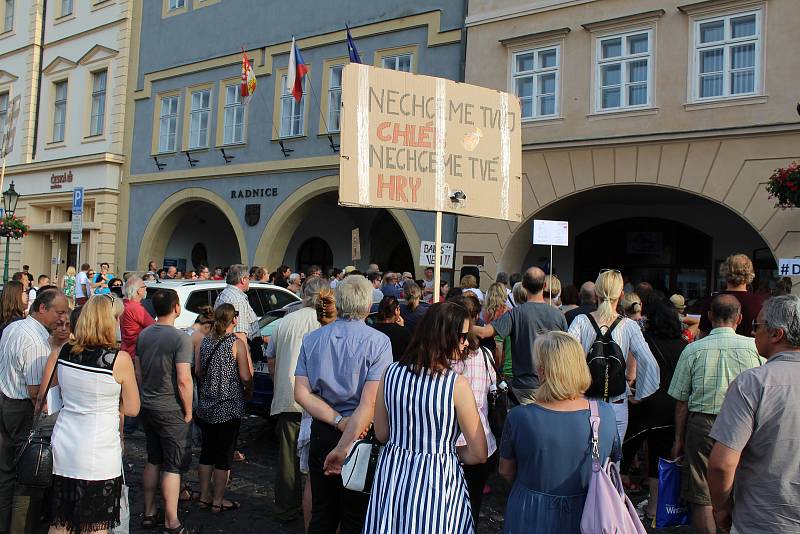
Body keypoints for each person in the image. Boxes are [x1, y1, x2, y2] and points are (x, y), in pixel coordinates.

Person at [364, 301, 486, 533]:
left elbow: (382, 433)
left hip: (393, 474)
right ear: (445, 336)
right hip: (437, 480)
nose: (466, 342)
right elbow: (479, 453)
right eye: (462, 336)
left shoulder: (390, 373)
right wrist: (444, 450)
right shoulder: (455, 385)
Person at [294, 275, 393, 534]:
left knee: (322, 513)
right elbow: (370, 401)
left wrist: (337, 421)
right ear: (368, 305)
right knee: (355, 516)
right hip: (359, 434)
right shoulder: (379, 342)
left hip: (325, 430)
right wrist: (346, 432)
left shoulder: (313, 339)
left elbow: (302, 394)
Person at [499, 331, 620, 534]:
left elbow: (505, 470)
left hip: (531, 512)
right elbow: (612, 460)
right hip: (589, 513)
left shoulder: (520, 417)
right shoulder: (605, 414)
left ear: (544, 372)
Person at [38, 294, 139, 534]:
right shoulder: (118, 360)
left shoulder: (65, 351)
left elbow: (52, 393)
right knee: (94, 526)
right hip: (99, 450)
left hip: (64, 445)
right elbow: (134, 408)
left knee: (61, 522)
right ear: (108, 322)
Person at [668, 294, 763, 534]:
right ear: (740, 318)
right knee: (742, 482)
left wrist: (678, 439)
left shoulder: (693, 350)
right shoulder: (754, 349)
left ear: (709, 316)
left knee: (701, 491)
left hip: (702, 424)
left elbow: (681, 402)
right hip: (744, 424)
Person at [708, 295, 800, 534]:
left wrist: (721, 506)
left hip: (762, 519)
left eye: (757, 326)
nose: (752, 332)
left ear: (776, 334)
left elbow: (721, 463)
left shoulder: (753, 383)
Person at [0, 289, 69, 534]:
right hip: (21, 409)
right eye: (59, 312)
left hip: (6, 401)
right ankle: (19, 527)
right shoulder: (36, 341)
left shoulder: (15, 327)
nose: (63, 317)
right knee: (27, 476)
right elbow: (35, 391)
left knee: (7, 471)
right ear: (42, 309)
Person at [568, 269, 660, 445]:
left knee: (586, 459)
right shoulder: (629, 327)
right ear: (622, 294)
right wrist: (640, 394)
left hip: (585, 403)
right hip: (617, 403)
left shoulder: (581, 321)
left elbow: (564, 358)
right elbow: (649, 362)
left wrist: (573, 391)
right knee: (614, 460)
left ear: (596, 293)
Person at [265, 277, 327, 523]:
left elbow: (271, 359)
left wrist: (278, 383)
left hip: (288, 397)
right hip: (316, 401)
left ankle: (287, 507)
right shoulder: (325, 322)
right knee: (317, 457)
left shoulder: (286, 320)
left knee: (288, 459)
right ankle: (315, 507)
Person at [136, 289, 197, 533]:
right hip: (170, 406)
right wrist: (189, 410)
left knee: (153, 459)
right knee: (172, 465)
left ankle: (150, 511)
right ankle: (172, 520)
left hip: (148, 403)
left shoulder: (144, 334)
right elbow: (184, 379)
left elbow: (139, 371)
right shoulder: (180, 338)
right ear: (176, 307)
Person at [621, 299, 687, 518]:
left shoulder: (643, 341)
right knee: (660, 460)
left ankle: (616, 508)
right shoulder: (685, 345)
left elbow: (631, 374)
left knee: (623, 456)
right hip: (671, 408)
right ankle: (655, 509)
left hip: (644, 405)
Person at [472, 267, 568, 405]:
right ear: (545, 285)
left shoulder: (516, 314)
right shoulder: (558, 315)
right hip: (552, 384)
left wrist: (461, 324)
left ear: (523, 286)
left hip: (523, 386)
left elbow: (483, 332)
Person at [195, 304, 252, 514]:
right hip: (229, 406)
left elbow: (199, 371)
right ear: (233, 320)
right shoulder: (236, 344)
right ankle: (218, 501)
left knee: (207, 452)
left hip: (207, 406)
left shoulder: (205, 341)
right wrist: (248, 389)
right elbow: (245, 376)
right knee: (224, 456)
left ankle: (203, 497)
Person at [450, 295, 496, 525]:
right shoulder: (485, 356)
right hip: (480, 437)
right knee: (472, 507)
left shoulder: (445, 359)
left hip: (450, 442)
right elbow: (492, 387)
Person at [698, 254, 764, 338]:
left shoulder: (712, 301)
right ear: (750, 273)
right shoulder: (759, 303)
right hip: (750, 350)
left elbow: (703, 337)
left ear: (725, 272)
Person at [369, 296, 411, 361]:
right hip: (396, 369)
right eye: (399, 309)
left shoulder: (371, 330)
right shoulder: (404, 333)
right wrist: (402, 328)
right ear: (396, 311)